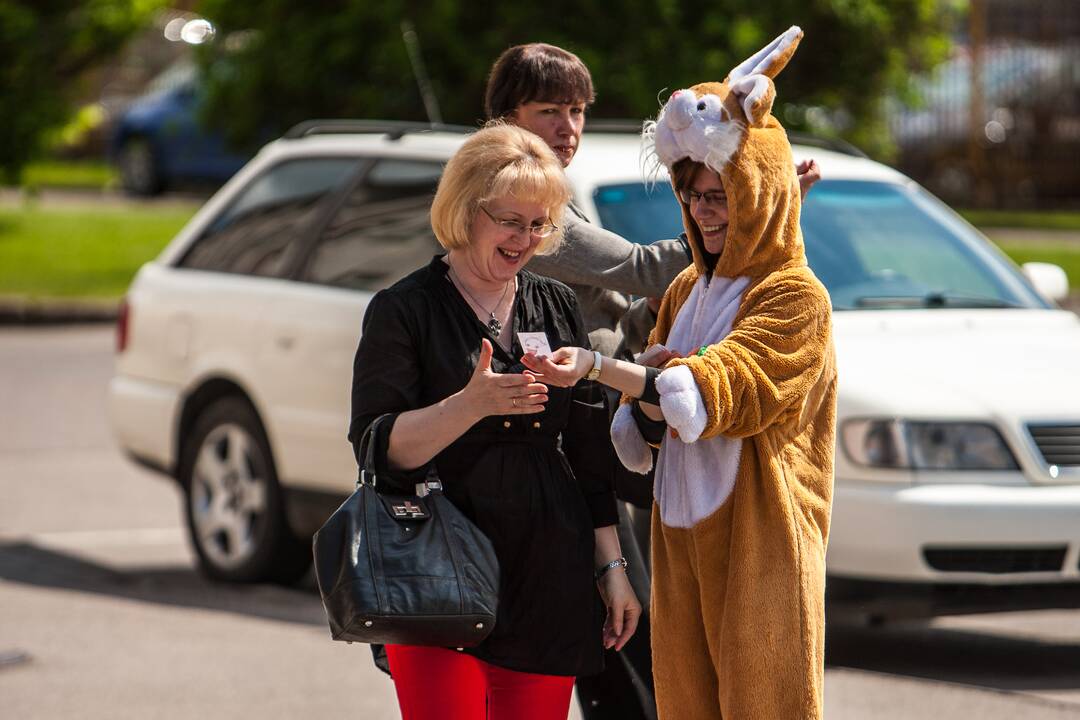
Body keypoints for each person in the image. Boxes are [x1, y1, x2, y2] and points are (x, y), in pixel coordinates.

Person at [483, 41, 822, 718]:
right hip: (549, 445)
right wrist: (755, 207)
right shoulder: (514, 193)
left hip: (595, 438)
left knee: (618, 632)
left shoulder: (793, 298)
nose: (567, 127)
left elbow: (626, 316)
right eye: (549, 110)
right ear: (505, 116)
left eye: (577, 110)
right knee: (622, 635)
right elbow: (641, 268)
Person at [347, 123, 641, 720]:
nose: (525, 239)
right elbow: (377, 448)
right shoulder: (404, 310)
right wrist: (470, 404)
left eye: (539, 225)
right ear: (464, 210)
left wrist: (612, 568)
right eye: (510, 221)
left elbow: (586, 451)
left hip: (547, 576)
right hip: (436, 572)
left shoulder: (556, 304)